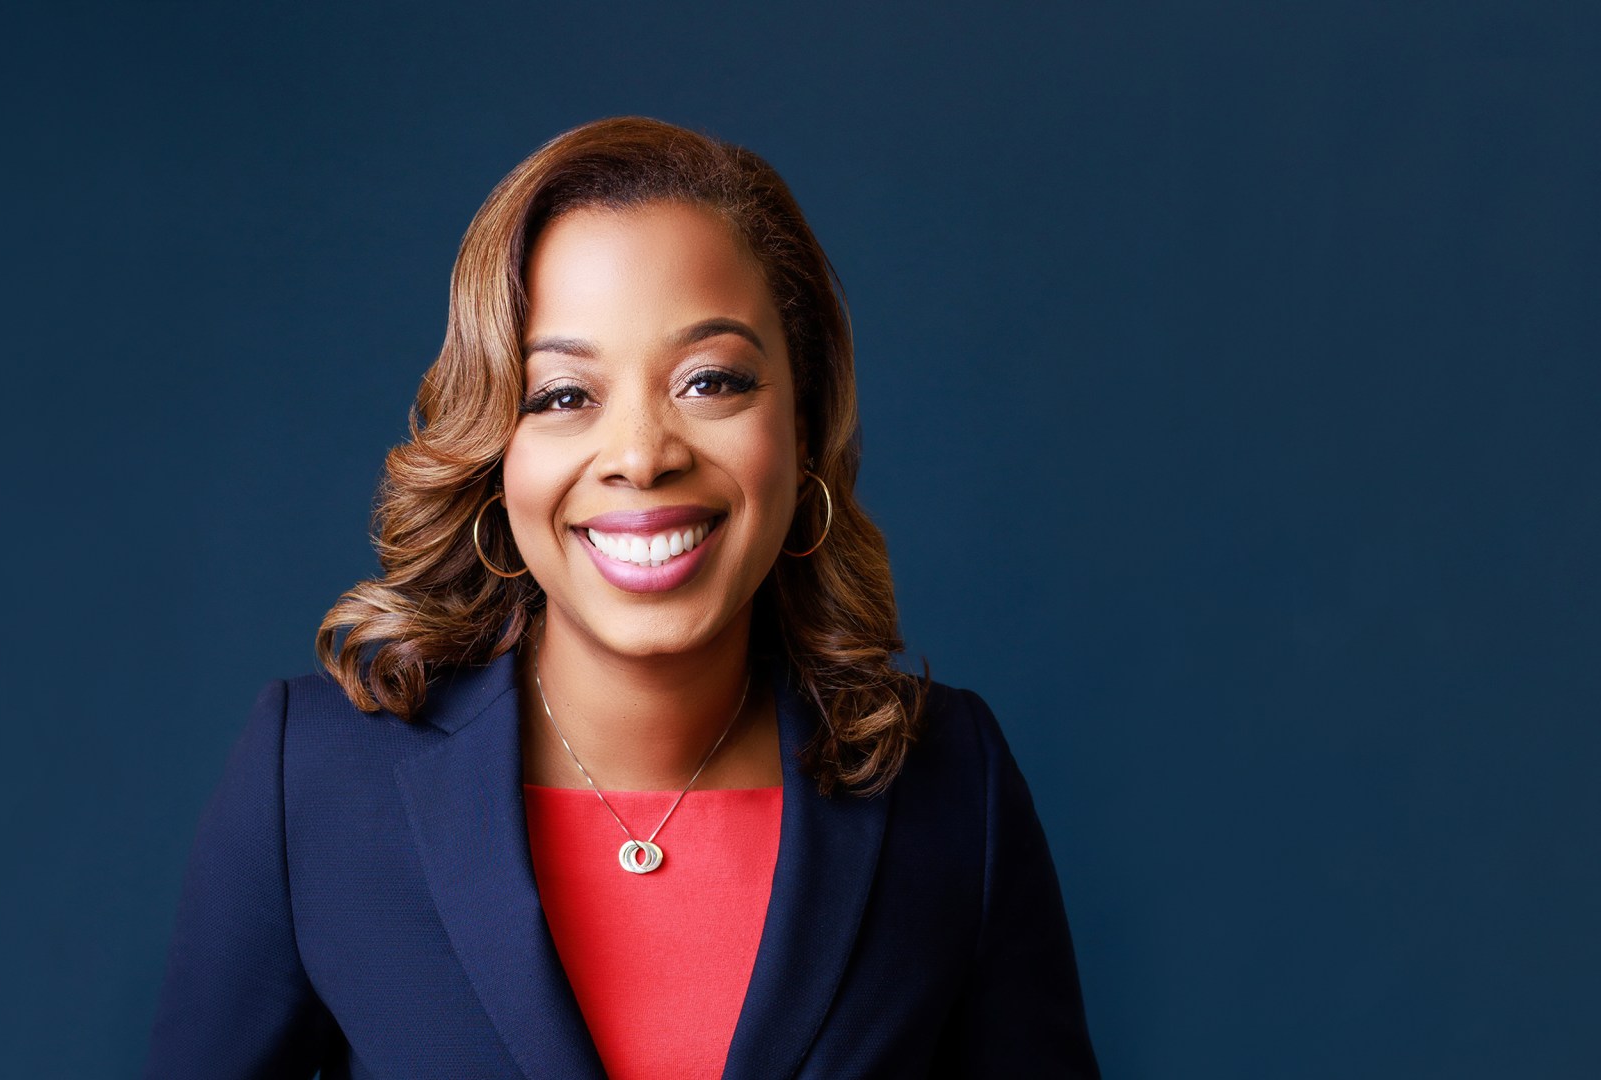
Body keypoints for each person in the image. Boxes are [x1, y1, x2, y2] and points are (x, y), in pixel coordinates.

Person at [144, 116, 1100, 1079]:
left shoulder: (951, 787)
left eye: (710, 381)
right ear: (495, 450)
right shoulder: (312, 785)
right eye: (563, 395)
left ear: (804, 423)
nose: (642, 455)